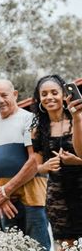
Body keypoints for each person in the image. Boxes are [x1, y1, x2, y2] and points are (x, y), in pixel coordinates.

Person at [0, 79, 49, 250]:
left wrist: (5, 190)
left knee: (38, 247)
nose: (0, 100)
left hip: (32, 197)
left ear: (15, 94)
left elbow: (33, 161)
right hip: (6, 202)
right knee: (12, 247)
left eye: (4, 95)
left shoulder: (30, 120)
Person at [31, 75, 82, 249]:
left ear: (64, 95)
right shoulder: (38, 130)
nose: (49, 97)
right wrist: (43, 167)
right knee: (64, 244)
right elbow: (36, 166)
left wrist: (78, 162)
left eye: (54, 92)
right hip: (57, 197)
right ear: (39, 99)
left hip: (80, 187)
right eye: (44, 94)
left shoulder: (78, 119)